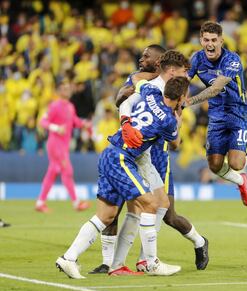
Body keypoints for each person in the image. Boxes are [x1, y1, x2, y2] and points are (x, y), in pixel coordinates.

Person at [56, 76, 189, 278]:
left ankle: (68, 258)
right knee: (151, 204)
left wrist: (126, 120)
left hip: (109, 152)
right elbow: (175, 142)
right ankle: (152, 263)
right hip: (122, 158)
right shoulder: (168, 121)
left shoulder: (150, 92)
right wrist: (178, 118)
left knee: (107, 215)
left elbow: (135, 89)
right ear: (181, 98)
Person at [90, 49, 209, 275]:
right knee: (127, 208)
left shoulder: (171, 91)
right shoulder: (148, 84)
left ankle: (195, 242)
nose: (141, 60)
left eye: (146, 56)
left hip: (156, 156)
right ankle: (116, 263)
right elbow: (120, 100)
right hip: (134, 151)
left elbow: (174, 141)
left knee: (165, 212)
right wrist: (127, 118)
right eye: (185, 71)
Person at [187, 21, 247, 206]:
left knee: (237, 163)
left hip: (238, 113)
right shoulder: (196, 59)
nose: (210, 44)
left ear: (221, 40)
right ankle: (241, 181)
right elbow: (183, 83)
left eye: (214, 40)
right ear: (201, 40)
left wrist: (188, 102)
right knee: (214, 166)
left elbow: (215, 89)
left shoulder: (232, 60)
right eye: (206, 40)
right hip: (216, 115)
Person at [35, 79, 91, 213]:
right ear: (59, 91)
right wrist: (55, 127)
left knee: (53, 172)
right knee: (67, 170)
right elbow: (43, 122)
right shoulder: (55, 106)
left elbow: (74, 121)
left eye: (68, 88)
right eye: (64, 88)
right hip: (55, 144)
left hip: (63, 145)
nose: (67, 90)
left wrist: (83, 124)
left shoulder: (70, 106)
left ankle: (40, 202)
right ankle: (76, 203)